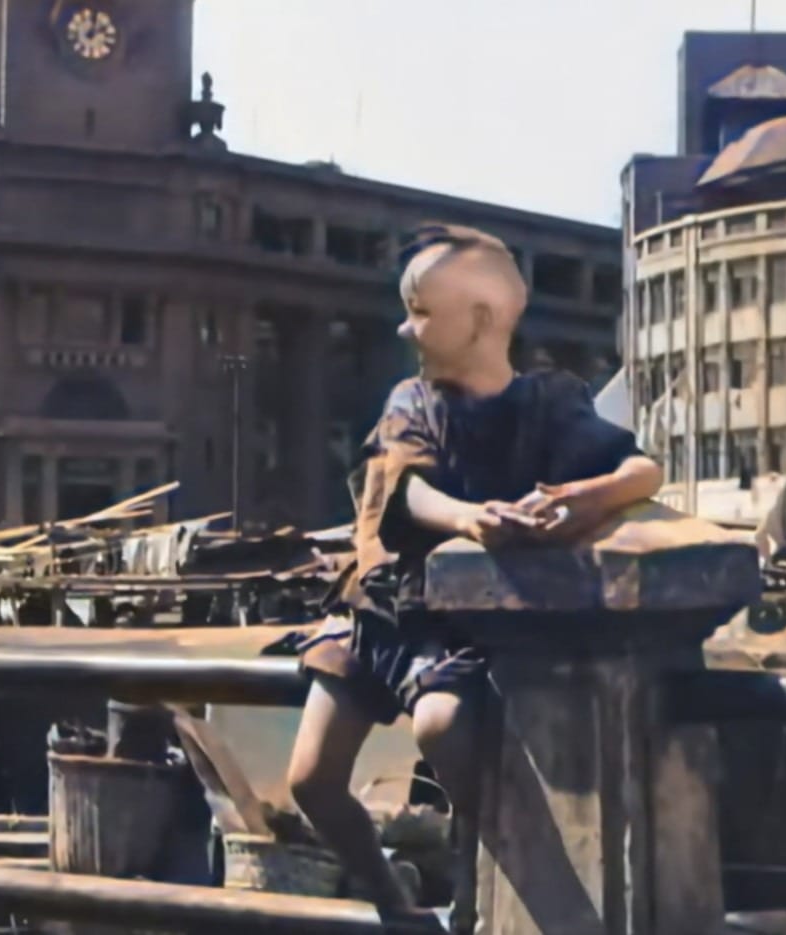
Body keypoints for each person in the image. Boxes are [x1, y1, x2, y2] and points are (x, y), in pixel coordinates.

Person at [286, 222, 663, 922]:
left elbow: (642, 468)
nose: (406, 328)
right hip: (382, 604)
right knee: (310, 775)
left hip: (460, 621)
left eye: (422, 312)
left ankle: (471, 861)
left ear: (482, 320)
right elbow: (402, 488)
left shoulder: (551, 400)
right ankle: (393, 900)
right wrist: (467, 517)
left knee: (442, 722)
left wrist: (585, 495)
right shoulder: (412, 400)